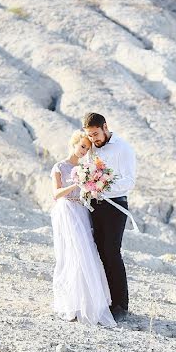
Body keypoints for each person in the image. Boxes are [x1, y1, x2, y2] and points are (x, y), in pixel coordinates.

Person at [50, 130, 115, 326]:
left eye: (87, 149)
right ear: (75, 144)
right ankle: (71, 304)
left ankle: (89, 304)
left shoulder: (86, 168)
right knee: (71, 255)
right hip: (67, 212)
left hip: (82, 212)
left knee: (86, 254)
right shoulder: (59, 167)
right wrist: (75, 184)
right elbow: (56, 194)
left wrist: (93, 187)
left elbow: (88, 193)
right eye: (83, 146)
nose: (84, 151)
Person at [82, 112, 137, 323]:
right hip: (94, 206)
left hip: (116, 207)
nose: (94, 139)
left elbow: (129, 181)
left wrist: (102, 185)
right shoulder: (92, 148)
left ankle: (121, 305)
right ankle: (102, 300)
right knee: (98, 252)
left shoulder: (123, 148)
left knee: (112, 252)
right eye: (90, 135)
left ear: (105, 127)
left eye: (96, 133)